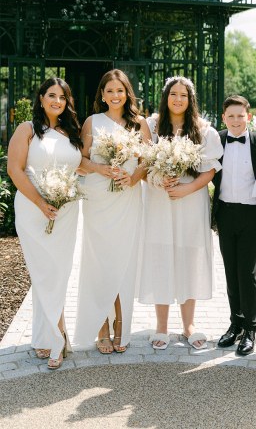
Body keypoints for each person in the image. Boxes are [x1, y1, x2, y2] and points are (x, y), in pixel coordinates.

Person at [139, 76, 223, 350]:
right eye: (173, 94)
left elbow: (209, 169)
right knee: (161, 256)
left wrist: (187, 190)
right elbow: (142, 165)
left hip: (190, 202)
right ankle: (161, 327)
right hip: (160, 200)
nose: (178, 99)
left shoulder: (204, 129)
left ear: (190, 100)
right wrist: (159, 180)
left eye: (183, 95)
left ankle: (189, 326)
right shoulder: (151, 126)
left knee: (189, 258)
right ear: (166, 97)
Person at [74, 70, 151, 354]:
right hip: (98, 199)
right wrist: (100, 168)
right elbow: (79, 160)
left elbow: (147, 161)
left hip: (127, 198)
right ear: (102, 95)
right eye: (109, 91)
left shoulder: (139, 124)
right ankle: (101, 325)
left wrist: (131, 178)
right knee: (100, 262)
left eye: (120, 90)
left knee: (124, 262)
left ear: (127, 93)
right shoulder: (92, 122)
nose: (115, 95)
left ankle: (121, 322)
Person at [7, 77, 82, 369]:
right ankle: (56, 336)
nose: (57, 101)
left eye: (62, 97)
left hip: (65, 210)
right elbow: (15, 169)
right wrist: (40, 203)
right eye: (51, 95)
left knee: (59, 272)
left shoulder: (70, 132)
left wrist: (105, 169)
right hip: (32, 208)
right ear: (41, 98)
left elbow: (80, 164)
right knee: (43, 271)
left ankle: (47, 334)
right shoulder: (26, 130)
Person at [212, 95, 256, 355]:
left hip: (252, 213)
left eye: (240, 116)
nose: (235, 120)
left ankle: (251, 329)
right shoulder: (217, 140)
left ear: (249, 116)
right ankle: (235, 324)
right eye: (230, 116)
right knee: (231, 271)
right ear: (223, 118)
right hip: (226, 213)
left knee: (247, 272)